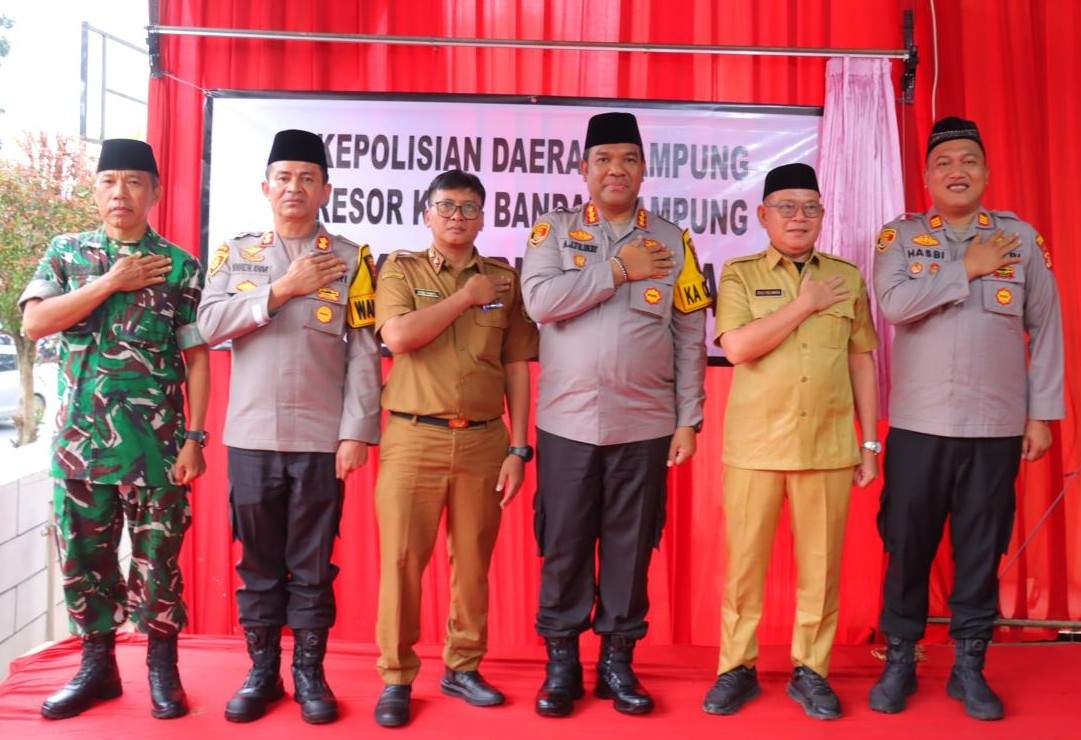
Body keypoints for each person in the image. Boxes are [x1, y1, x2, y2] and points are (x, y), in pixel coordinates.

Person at [869, 117, 1064, 721]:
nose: (958, 171)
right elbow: (894, 305)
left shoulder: (1020, 238)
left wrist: (1042, 414)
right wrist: (967, 269)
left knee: (982, 546)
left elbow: (1047, 327)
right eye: (945, 162)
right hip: (920, 423)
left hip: (995, 424)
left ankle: (970, 665)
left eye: (969, 161)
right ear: (928, 176)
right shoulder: (900, 237)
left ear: (986, 172)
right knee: (907, 543)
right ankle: (901, 658)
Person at [521, 111, 709, 717]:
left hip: (646, 424)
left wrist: (688, 419)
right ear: (584, 170)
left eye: (628, 159)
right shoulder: (554, 231)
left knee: (631, 548)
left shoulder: (674, 240)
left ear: (644, 169)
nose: (616, 170)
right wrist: (619, 271)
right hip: (568, 423)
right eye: (603, 159)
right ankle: (561, 664)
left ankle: (617, 662)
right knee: (565, 542)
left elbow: (690, 335)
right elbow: (540, 301)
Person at [197, 129, 381, 725]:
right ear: (265, 188)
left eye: (307, 178)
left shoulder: (351, 259)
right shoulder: (237, 254)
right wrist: (281, 290)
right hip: (252, 437)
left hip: (320, 440)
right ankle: (262, 673)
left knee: (313, 564)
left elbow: (364, 351)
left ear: (326, 189)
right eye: (283, 177)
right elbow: (208, 325)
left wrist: (356, 431)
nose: (294, 187)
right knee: (258, 563)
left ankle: (309, 672)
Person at [20, 138, 209, 720]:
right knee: (84, 559)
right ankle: (97, 668)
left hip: (158, 448)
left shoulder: (179, 265)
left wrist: (196, 438)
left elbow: (197, 357)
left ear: (155, 192)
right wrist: (109, 282)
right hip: (81, 446)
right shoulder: (66, 252)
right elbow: (35, 324)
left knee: (158, 561)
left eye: (133, 181)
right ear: (95, 189)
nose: (119, 192)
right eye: (108, 181)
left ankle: (161, 668)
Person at [705, 163, 879, 721]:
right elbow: (737, 348)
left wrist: (870, 443)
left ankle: (812, 670)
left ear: (822, 215)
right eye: (786, 207)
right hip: (756, 448)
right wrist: (805, 303)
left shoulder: (846, 277)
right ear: (763, 215)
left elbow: (861, 359)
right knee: (744, 569)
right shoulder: (739, 274)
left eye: (810, 207)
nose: (799, 217)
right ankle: (736, 667)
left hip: (827, 446)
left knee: (822, 572)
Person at [370, 169, 538, 728]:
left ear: (483, 217)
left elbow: (516, 364)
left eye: (469, 208)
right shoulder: (401, 268)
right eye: (446, 207)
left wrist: (519, 447)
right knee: (402, 561)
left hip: (484, 440)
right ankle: (397, 675)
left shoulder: (504, 280)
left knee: (472, 562)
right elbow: (398, 337)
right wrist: (466, 298)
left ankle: (462, 666)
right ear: (427, 215)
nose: (457, 217)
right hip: (413, 435)